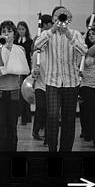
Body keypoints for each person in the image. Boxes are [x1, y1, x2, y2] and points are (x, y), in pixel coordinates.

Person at [34, 6, 88, 152]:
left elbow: (84, 50)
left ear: (69, 19)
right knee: (52, 115)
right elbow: (36, 45)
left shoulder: (75, 34)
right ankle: (52, 148)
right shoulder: (47, 34)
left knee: (69, 119)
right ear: (53, 19)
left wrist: (69, 36)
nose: (61, 20)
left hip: (71, 82)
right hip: (52, 82)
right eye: (58, 17)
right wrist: (52, 30)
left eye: (64, 16)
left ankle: (66, 151)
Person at [0, 20, 23, 152]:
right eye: (3, 32)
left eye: (9, 31)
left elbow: (23, 69)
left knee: (12, 125)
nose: (6, 34)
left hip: (14, 90)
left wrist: (9, 70)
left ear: (14, 34)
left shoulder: (19, 49)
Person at [31, 14, 53, 143]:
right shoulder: (36, 54)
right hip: (40, 85)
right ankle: (36, 130)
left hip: (51, 85)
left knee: (50, 112)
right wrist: (35, 71)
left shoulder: (52, 54)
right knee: (41, 108)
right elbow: (33, 72)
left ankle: (48, 135)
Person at [80, 28, 95, 148]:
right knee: (91, 108)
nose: (91, 35)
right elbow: (86, 56)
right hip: (86, 83)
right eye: (89, 34)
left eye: (94, 34)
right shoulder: (84, 48)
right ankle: (88, 132)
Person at [15, 21, 33, 125]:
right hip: (17, 69)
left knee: (26, 92)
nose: (21, 31)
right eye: (19, 29)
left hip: (26, 69)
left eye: (23, 29)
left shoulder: (29, 42)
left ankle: (26, 117)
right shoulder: (15, 41)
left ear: (26, 30)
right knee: (18, 93)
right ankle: (19, 113)